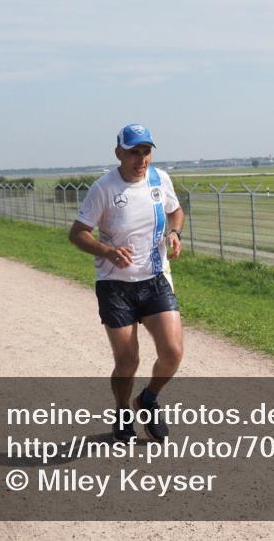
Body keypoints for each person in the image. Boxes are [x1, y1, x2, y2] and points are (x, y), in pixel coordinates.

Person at [68, 124, 184, 443]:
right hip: (115, 285)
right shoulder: (103, 188)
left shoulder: (160, 180)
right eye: (134, 152)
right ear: (119, 152)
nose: (141, 159)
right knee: (128, 361)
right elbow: (77, 233)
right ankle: (122, 411)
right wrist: (107, 251)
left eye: (146, 152)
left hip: (155, 279)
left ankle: (147, 399)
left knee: (172, 352)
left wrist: (175, 233)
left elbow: (176, 212)